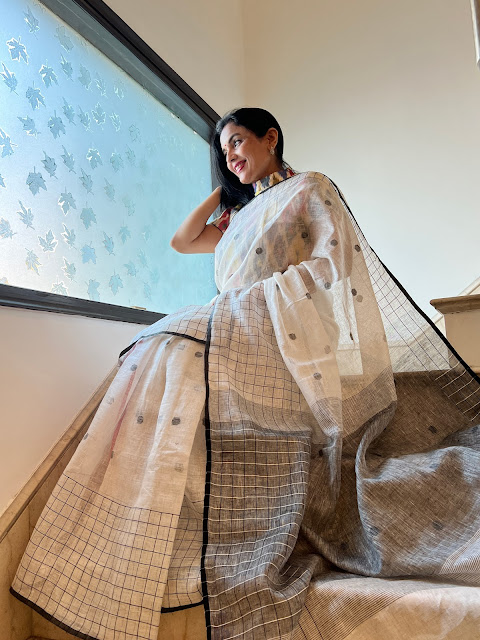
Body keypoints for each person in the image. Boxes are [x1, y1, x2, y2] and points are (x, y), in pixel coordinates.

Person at [11, 108, 480, 640]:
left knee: (171, 339)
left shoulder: (308, 188)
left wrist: (262, 296)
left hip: (285, 335)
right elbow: (183, 241)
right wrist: (225, 188)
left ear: (271, 138)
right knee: (160, 344)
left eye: (238, 142)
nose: (231, 156)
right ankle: (158, 544)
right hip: (243, 329)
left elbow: (333, 266)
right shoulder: (238, 219)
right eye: (223, 150)